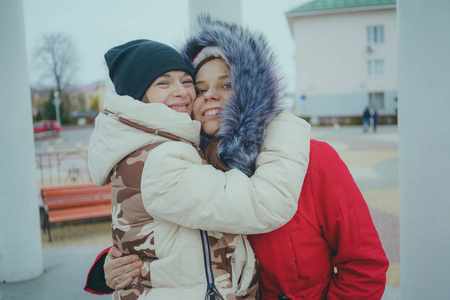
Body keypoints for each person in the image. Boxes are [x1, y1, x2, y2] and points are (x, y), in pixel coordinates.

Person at [86, 16, 388, 300]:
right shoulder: (194, 163)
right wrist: (111, 267)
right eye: (200, 88)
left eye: (226, 85)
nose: (209, 96)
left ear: (253, 90)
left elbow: (364, 266)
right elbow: (174, 239)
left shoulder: (312, 159)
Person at [86, 35, 310, 299]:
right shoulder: (158, 158)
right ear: (138, 97)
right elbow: (266, 203)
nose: (183, 91)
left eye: (187, 81)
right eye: (163, 83)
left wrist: (109, 265)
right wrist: (286, 124)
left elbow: (171, 239)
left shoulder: (190, 148)